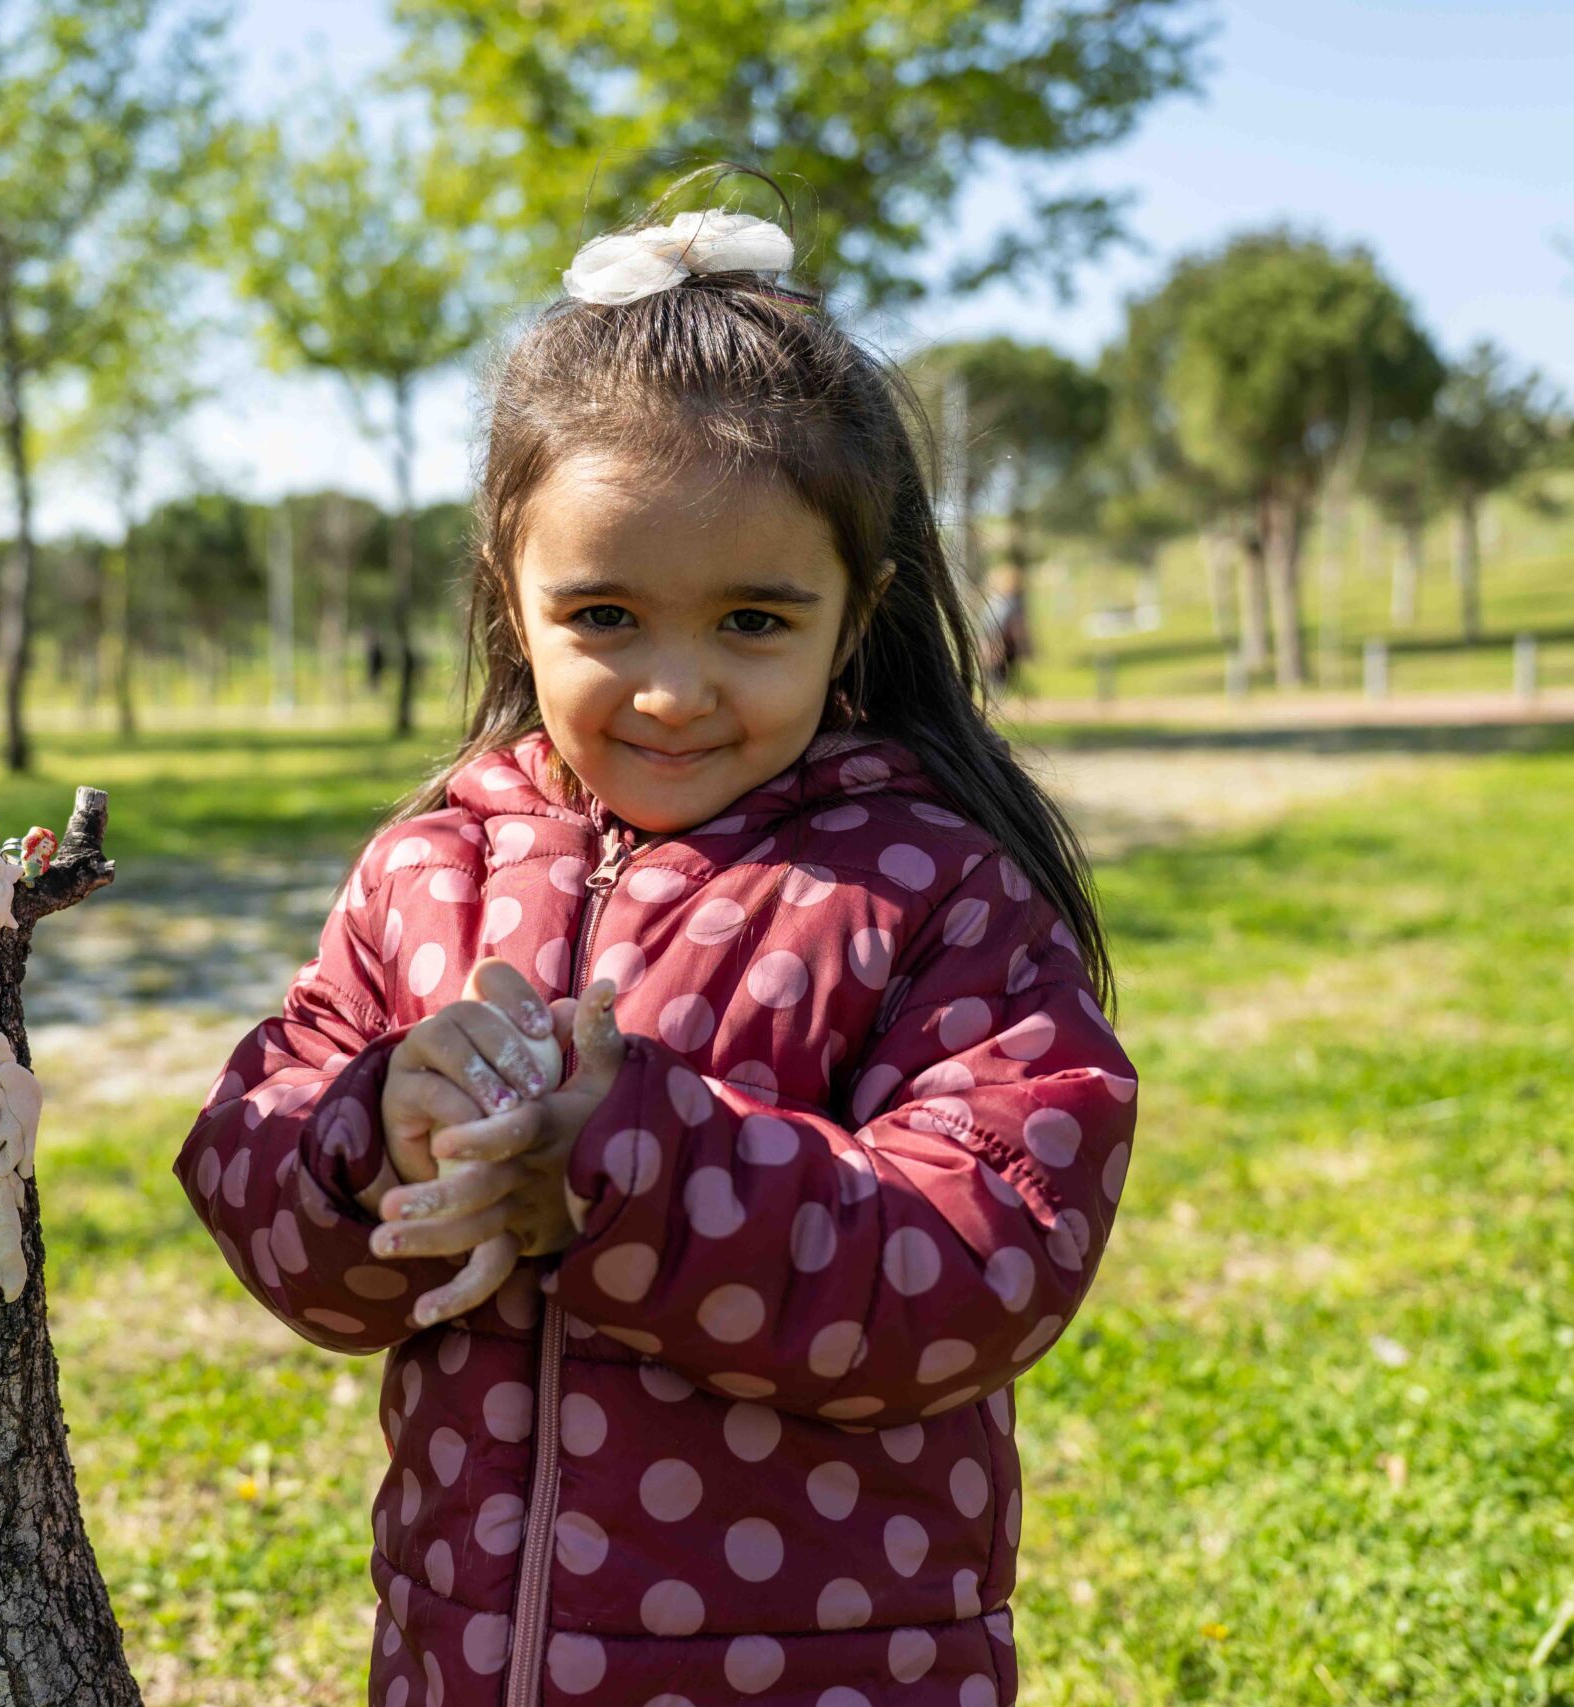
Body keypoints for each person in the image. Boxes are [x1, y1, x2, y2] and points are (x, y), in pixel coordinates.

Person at [175, 189, 1136, 1707]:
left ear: (854, 612)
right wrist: (376, 1130)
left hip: (832, 1668)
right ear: (513, 594)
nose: (675, 688)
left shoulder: (930, 892)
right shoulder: (431, 866)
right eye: (608, 612)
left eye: (753, 619)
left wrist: (625, 1170)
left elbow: (982, 1258)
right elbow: (260, 1158)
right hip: (466, 1664)